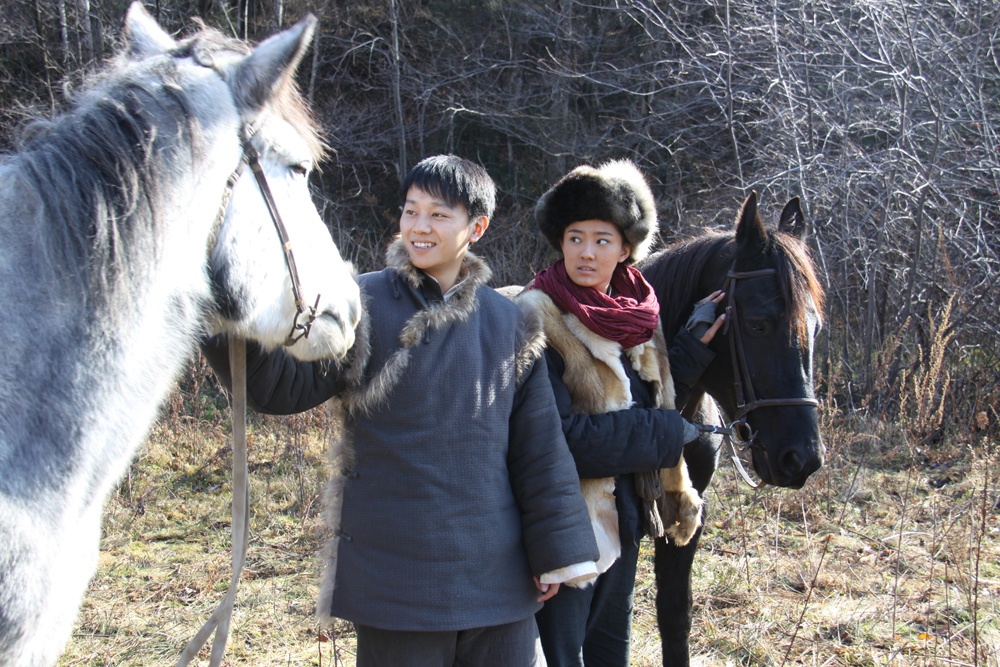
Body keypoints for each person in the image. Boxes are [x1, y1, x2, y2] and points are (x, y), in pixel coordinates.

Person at [202, 155, 600, 667]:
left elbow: (539, 450)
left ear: (476, 227)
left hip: (497, 575)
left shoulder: (512, 322)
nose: (419, 226)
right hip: (397, 579)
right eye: (411, 211)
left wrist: (556, 554)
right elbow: (280, 388)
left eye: (438, 214)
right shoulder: (359, 303)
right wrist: (222, 309)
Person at [513, 159, 725, 667]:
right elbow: (562, 439)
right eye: (575, 237)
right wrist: (665, 432)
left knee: (612, 656)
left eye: (602, 240)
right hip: (565, 528)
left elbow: (647, 400)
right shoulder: (535, 316)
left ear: (626, 249)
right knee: (562, 656)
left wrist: (689, 352)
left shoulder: (636, 318)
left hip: (627, 518)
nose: (587, 252)